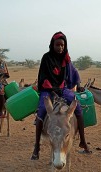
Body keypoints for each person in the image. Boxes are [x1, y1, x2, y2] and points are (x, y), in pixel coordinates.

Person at [31, 31, 91, 160]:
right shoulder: (46, 58)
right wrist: (52, 90)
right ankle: (37, 146)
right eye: (58, 45)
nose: (60, 47)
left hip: (62, 89)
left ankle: (83, 141)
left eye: (62, 45)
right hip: (48, 89)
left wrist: (78, 84)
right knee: (42, 110)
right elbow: (43, 77)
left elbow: (73, 71)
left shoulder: (66, 58)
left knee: (78, 107)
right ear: (52, 45)